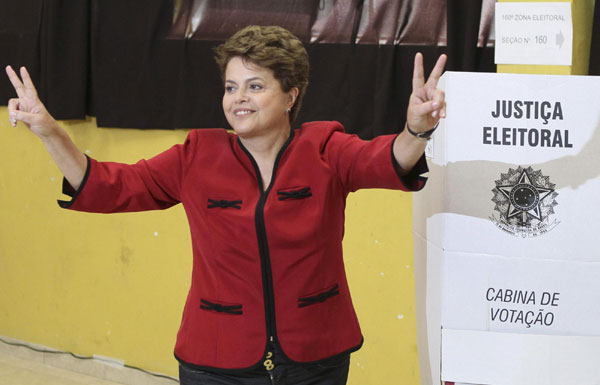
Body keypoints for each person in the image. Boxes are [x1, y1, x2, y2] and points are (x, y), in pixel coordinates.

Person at [6, 25, 446, 385]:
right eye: (231, 87)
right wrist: (48, 131)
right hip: (216, 360)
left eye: (255, 86)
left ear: (291, 95)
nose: (239, 98)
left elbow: (387, 160)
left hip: (316, 356)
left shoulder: (325, 147)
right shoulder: (197, 154)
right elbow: (107, 185)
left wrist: (416, 130)